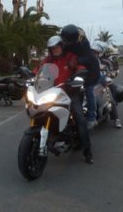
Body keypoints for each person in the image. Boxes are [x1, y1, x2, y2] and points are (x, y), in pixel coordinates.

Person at [41, 35, 93, 164]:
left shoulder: (71, 57)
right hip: (52, 92)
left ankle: (87, 151)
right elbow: (39, 70)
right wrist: (30, 75)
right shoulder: (49, 59)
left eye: (57, 47)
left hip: (70, 92)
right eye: (52, 48)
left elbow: (80, 68)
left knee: (79, 118)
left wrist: (78, 76)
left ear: (62, 46)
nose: (55, 50)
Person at [60, 24, 100, 130]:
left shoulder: (83, 42)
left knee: (88, 89)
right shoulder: (62, 40)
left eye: (68, 42)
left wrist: (77, 61)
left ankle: (92, 118)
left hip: (90, 68)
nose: (66, 44)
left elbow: (88, 58)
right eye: (65, 41)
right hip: (74, 68)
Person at [91, 42, 122, 129]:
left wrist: (110, 74)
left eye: (96, 52)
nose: (94, 54)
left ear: (100, 52)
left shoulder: (106, 61)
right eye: (92, 51)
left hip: (103, 82)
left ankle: (116, 119)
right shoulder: (88, 61)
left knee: (110, 96)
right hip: (91, 83)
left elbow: (113, 71)